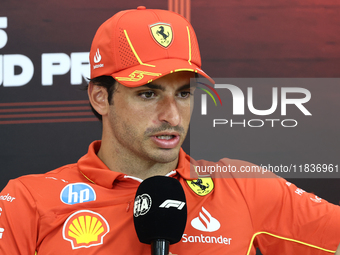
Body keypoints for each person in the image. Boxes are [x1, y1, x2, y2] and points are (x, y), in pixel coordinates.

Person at [0, 6, 339, 255]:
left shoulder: (243, 186)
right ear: (101, 97)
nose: (172, 115)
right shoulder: (26, 201)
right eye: (148, 93)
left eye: (184, 93)